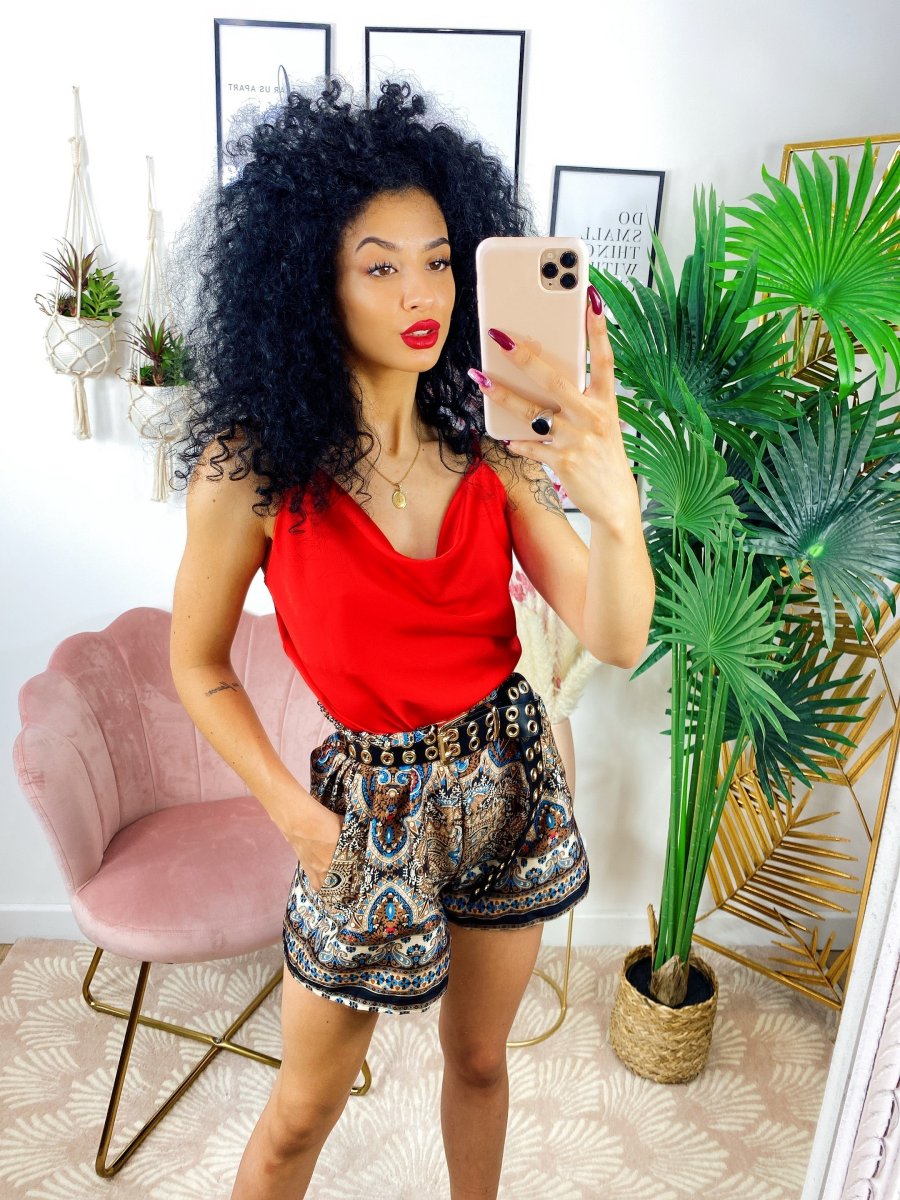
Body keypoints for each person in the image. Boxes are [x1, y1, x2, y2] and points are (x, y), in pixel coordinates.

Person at [169, 77, 655, 1200]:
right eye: (380, 266)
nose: (421, 292)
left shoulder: (493, 453)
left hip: (506, 774)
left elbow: (618, 636)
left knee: (479, 1061)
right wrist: (296, 815)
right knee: (300, 1114)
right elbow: (195, 665)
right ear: (311, 283)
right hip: (366, 809)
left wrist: (616, 503)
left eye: (439, 261)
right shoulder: (251, 473)